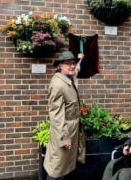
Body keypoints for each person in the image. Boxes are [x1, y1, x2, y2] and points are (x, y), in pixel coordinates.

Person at [43, 51, 85, 180]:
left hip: (72, 129)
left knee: (65, 165)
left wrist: (80, 60)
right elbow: (56, 116)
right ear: (60, 66)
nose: (71, 66)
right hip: (63, 131)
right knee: (57, 166)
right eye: (67, 64)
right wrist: (64, 138)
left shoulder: (68, 77)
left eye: (72, 63)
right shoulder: (58, 85)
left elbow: (76, 70)